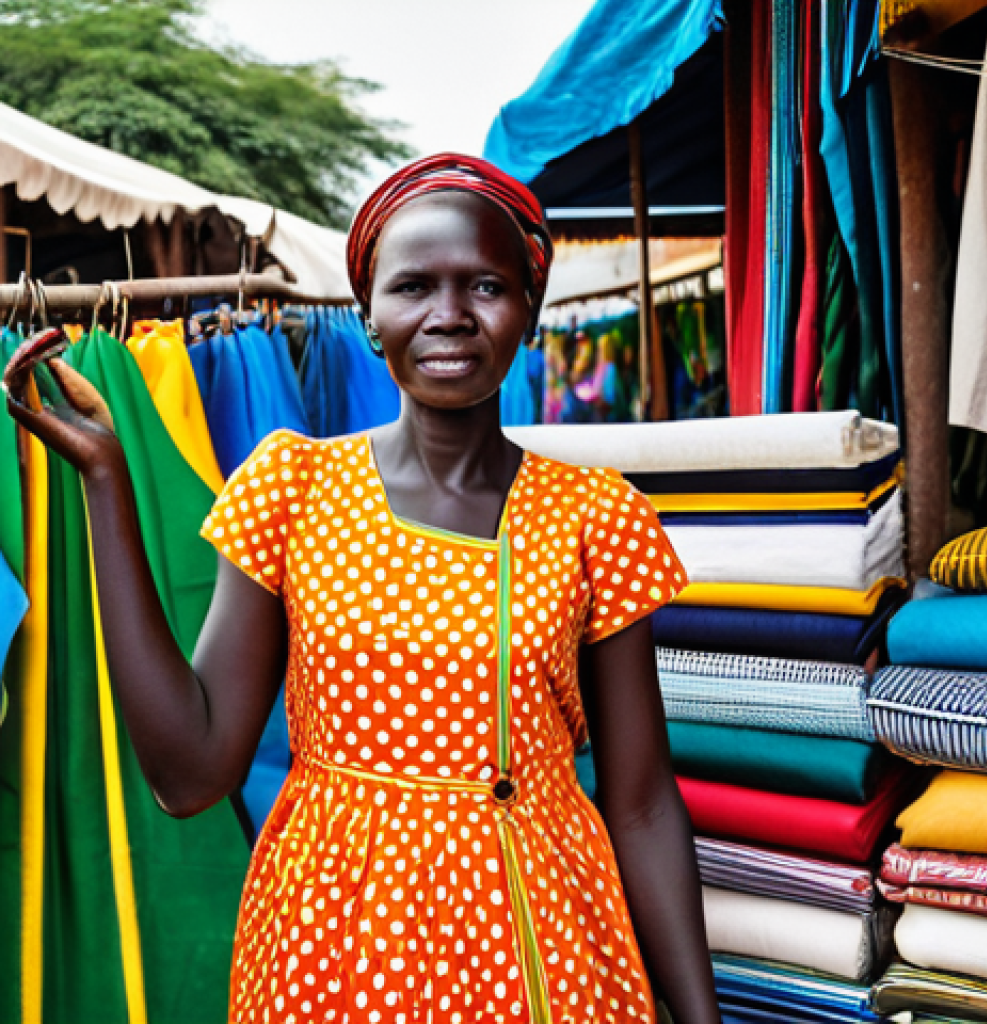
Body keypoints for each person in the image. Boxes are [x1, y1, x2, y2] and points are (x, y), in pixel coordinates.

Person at [4, 153, 720, 1024]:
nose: (449, 316)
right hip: (332, 943)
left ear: (529, 313)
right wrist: (106, 484)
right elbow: (190, 774)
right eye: (413, 286)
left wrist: (698, 1017)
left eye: (486, 286)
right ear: (371, 318)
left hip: (548, 942)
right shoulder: (292, 487)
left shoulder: (597, 516)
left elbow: (642, 805)